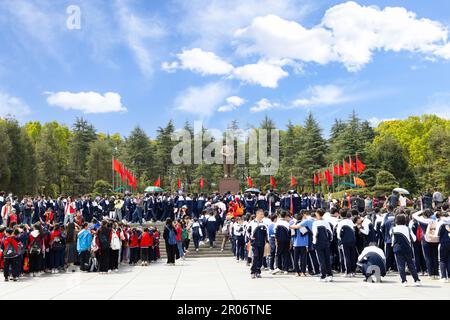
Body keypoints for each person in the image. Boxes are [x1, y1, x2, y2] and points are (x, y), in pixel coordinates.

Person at [391, 214, 421, 286]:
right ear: (404, 220)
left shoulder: (393, 229)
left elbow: (392, 240)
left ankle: (404, 281)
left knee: (401, 265)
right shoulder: (407, 228)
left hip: (397, 249)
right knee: (411, 265)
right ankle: (416, 280)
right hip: (407, 249)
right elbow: (414, 239)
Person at [412, 209, 440, 279]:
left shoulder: (422, 220)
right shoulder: (436, 220)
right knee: (435, 256)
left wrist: (421, 210)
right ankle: (436, 273)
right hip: (435, 239)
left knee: (428, 257)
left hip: (425, 239)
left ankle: (430, 274)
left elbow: (414, 215)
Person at [312, 209, 333, 282]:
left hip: (318, 243)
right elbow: (330, 232)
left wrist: (314, 243)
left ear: (318, 214)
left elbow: (314, 234)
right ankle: (329, 275)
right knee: (327, 259)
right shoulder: (326, 222)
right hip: (326, 243)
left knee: (321, 260)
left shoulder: (315, 223)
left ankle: (323, 276)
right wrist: (329, 241)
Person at [249, 209, 268, 279]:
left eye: (263, 214)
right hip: (254, 243)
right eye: (261, 214)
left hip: (262, 243)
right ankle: (253, 272)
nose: (262, 216)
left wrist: (266, 241)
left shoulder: (264, 223)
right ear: (257, 214)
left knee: (260, 257)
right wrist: (250, 237)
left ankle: (258, 271)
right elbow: (247, 231)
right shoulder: (251, 223)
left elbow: (266, 233)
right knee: (255, 256)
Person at [337, 212, 357, 277]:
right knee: (352, 256)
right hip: (353, 241)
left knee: (346, 257)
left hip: (344, 241)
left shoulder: (340, 223)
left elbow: (338, 235)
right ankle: (353, 271)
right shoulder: (350, 222)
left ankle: (347, 272)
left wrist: (340, 240)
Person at [272, 211, 290, 275]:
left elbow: (275, 232)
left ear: (280, 215)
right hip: (286, 241)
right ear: (285, 216)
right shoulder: (287, 223)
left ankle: (278, 267)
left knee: (278, 254)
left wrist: (276, 240)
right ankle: (285, 269)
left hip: (279, 240)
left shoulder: (277, 223)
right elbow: (289, 232)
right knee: (285, 254)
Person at [435, 212, 450, 282]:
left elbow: (436, 234)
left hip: (443, 243)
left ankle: (443, 277)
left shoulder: (440, 223)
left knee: (442, 260)